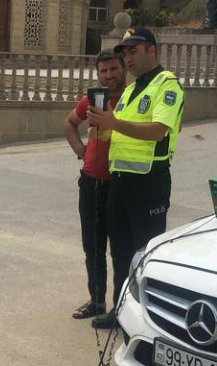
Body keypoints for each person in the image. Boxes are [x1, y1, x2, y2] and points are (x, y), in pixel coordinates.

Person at [87, 27, 185, 329]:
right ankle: (121, 310)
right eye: (125, 52)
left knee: (146, 253)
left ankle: (148, 319)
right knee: (121, 253)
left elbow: (157, 131)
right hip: (120, 182)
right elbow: (114, 131)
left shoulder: (166, 86)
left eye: (133, 51)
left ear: (151, 50)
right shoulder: (130, 90)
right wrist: (100, 128)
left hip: (148, 183)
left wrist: (113, 122)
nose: (127, 58)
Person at [64, 50, 127, 319]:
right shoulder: (93, 99)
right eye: (104, 71)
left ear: (123, 68)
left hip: (120, 183)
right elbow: (69, 123)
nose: (109, 75)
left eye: (114, 69)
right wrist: (80, 149)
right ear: (98, 74)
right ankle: (97, 301)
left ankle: (122, 307)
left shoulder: (133, 99)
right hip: (91, 182)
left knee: (121, 249)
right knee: (93, 246)